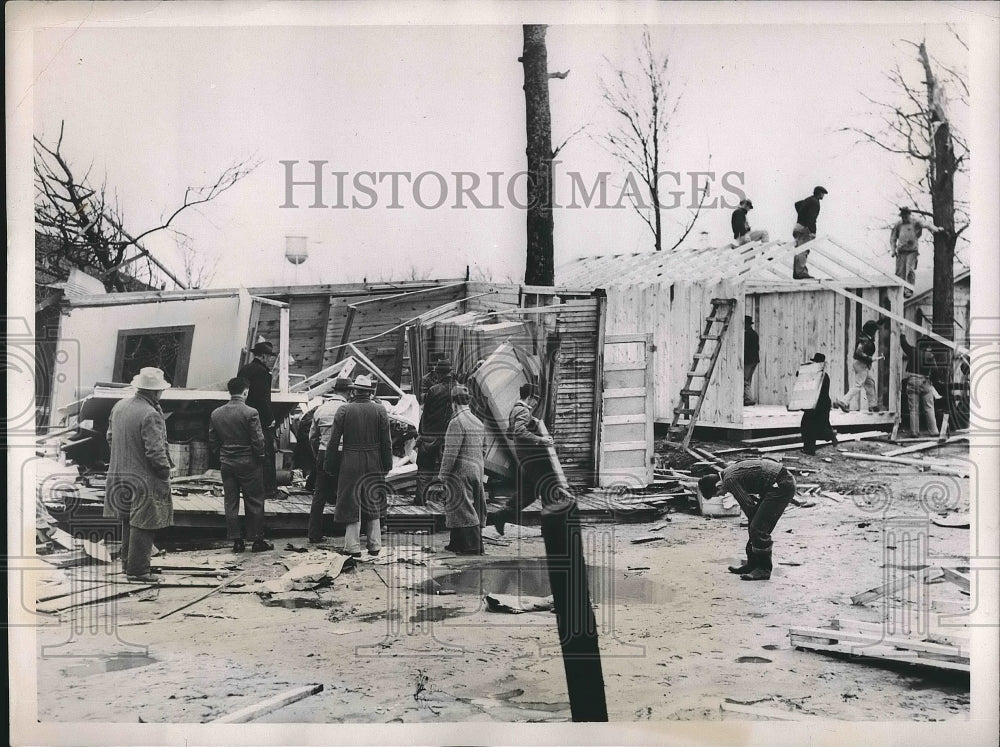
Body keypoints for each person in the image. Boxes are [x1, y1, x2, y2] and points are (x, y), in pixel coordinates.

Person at [103, 367, 173, 582]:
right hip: (144, 476)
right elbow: (155, 450)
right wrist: (164, 472)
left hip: (120, 473)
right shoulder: (150, 413)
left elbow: (109, 437)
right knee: (145, 522)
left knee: (128, 520)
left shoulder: (120, 406)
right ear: (155, 392)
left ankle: (128, 565)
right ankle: (139, 570)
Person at [326, 374, 393, 558]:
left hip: (350, 460)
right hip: (373, 460)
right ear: (370, 393)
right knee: (373, 501)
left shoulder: (344, 410)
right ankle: (374, 545)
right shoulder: (380, 410)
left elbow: (333, 442)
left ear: (354, 391)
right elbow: (386, 442)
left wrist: (330, 464)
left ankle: (353, 547)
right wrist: (387, 464)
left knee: (350, 502)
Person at [698, 458, 796, 581]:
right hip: (777, 481)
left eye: (718, 494)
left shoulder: (729, 480)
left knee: (758, 527)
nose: (722, 495)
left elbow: (748, 505)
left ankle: (763, 569)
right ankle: (753, 565)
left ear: (718, 485)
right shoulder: (728, 472)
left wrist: (755, 526)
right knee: (755, 524)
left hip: (781, 485)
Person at [209, 377, 273, 553]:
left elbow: (213, 441)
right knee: (254, 501)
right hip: (248, 462)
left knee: (231, 502)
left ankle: (236, 541)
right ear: (246, 392)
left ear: (230, 392)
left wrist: (222, 455)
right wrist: (260, 457)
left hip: (227, 463)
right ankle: (256, 540)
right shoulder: (251, 412)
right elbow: (258, 440)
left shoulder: (216, 413)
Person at [490, 382, 554, 536]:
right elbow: (518, 431)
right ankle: (548, 528)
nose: (536, 402)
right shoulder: (523, 411)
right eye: (535, 398)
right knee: (547, 487)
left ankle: (503, 514)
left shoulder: (515, 409)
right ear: (530, 397)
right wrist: (540, 439)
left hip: (525, 457)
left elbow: (510, 433)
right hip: (532, 458)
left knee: (530, 492)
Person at [434, 384, 487, 555]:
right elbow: (484, 448)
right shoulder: (477, 421)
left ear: (454, 402)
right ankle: (455, 543)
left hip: (460, 472)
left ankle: (473, 546)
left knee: (463, 509)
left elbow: (450, 453)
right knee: (460, 507)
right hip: (476, 469)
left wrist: (442, 475)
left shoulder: (456, 422)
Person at [307, 376, 351, 543]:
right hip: (343, 453)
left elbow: (312, 437)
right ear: (348, 391)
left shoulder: (320, 409)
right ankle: (349, 532)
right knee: (347, 492)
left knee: (320, 494)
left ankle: (314, 533)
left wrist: (317, 454)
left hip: (323, 453)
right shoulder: (347, 409)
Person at [238, 340, 278, 501]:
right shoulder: (262, 372)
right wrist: (270, 420)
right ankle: (268, 489)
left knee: (247, 454)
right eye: (269, 356)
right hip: (259, 419)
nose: (271, 360)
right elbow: (263, 399)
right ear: (262, 356)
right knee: (266, 452)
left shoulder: (244, 370)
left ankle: (245, 487)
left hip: (243, 416)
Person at [415, 358, 455, 506]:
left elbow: (425, 414)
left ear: (438, 374)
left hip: (430, 436)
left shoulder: (434, 390)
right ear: (450, 372)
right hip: (450, 436)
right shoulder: (459, 389)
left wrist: (421, 434)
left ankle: (420, 499)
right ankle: (449, 501)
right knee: (450, 470)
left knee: (424, 469)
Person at [890, 207, 943, 298]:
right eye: (903, 217)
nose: (904, 219)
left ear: (909, 215)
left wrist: (936, 229)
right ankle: (899, 289)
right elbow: (893, 238)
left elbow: (926, 224)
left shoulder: (915, 221)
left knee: (909, 270)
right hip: (901, 251)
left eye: (906, 216)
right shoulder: (898, 224)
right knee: (899, 271)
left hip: (912, 251)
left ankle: (909, 289)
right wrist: (893, 250)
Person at [900, 335, 940, 437]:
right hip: (925, 382)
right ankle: (934, 431)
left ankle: (914, 432)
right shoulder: (930, 356)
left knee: (913, 409)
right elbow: (935, 371)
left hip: (912, 381)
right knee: (929, 408)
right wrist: (932, 381)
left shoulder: (913, 351)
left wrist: (902, 333)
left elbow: (904, 344)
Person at [838, 320, 880, 413]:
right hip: (861, 364)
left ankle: (873, 405)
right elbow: (858, 352)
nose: (876, 333)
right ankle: (843, 401)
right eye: (875, 331)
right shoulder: (864, 340)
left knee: (870, 383)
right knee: (858, 385)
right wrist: (870, 358)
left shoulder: (866, 338)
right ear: (872, 331)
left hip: (863, 364)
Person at [800, 353, 838, 455]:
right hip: (820, 404)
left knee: (808, 425)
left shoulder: (820, 376)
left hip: (818, 405)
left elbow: (813, 390)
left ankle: (810, 448)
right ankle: (829, 435)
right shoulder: (822, 375)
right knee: (813, 425)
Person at [792, 186, 828, 279]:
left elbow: (797, 204)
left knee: (799, 248)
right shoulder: (815, 202)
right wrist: (813, 231)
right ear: (819, 193)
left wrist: (801, 215)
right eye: (823, 193)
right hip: (804, 228)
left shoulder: (809, 199)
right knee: (804, 249)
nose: (823, 195)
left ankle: (797, 272)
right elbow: (811, 218)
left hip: (797, 226)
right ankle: (800, 272)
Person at [743, 315, 759, 406]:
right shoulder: (754, 334)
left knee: (744, 380)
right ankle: (747, 398)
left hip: (748, 360)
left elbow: (745, 349)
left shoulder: (746, 334)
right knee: (748, 379)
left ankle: (748, 399)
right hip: (755, 359)